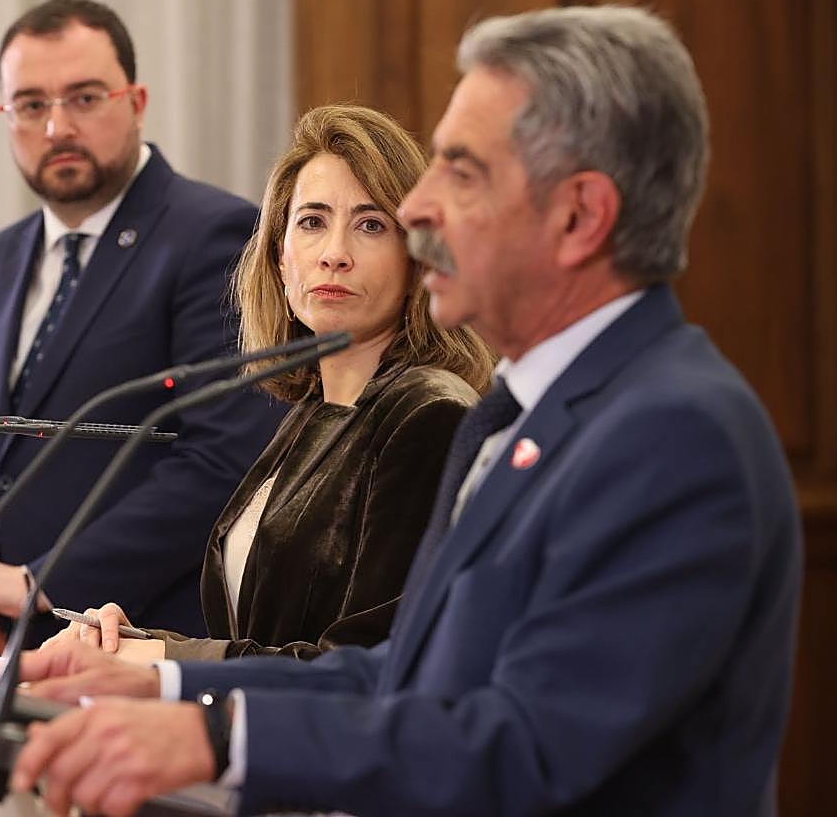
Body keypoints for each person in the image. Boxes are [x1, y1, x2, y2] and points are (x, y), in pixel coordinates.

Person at [0, 6, 803, 817]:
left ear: (578, 215)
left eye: (461, 171)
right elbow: (400, 674)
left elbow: (526, 745)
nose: (418, 210)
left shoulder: (674, 435)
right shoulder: (514, 415)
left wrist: (218, 738)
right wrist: (165, 680)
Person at [0, 0, 285, 651]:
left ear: (137, 100)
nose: (58, 127)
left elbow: (223, 459)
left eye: (85, 98)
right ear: (6, 117)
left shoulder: (215, 237)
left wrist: (39, 583)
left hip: (127, 646)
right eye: (32, 105)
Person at [39, 105, 495, 663]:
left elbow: (370, 667)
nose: (334, 255)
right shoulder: (312, 411)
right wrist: (136, 644)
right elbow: (270, 638)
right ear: (281, 259)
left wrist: (162, 664)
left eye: (371, 225)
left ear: (417, 260)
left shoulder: (430, 414)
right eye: (312, 222)